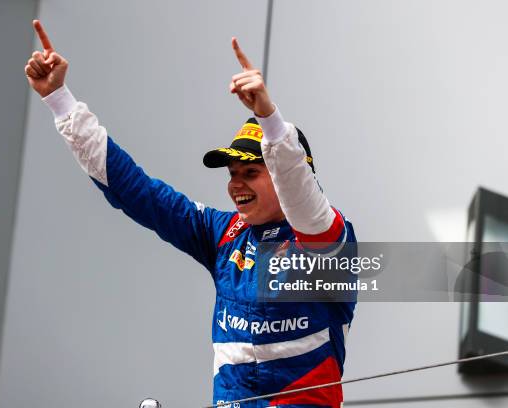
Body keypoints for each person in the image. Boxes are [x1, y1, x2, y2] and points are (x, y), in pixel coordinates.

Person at [25, 19, 356, 408]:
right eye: (232, 174)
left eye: (250, 173)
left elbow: (301, 195)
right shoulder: (222, 233)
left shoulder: (328, 241)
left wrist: (269, 119)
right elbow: (137, 191)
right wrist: (60, 101)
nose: (236, 185)